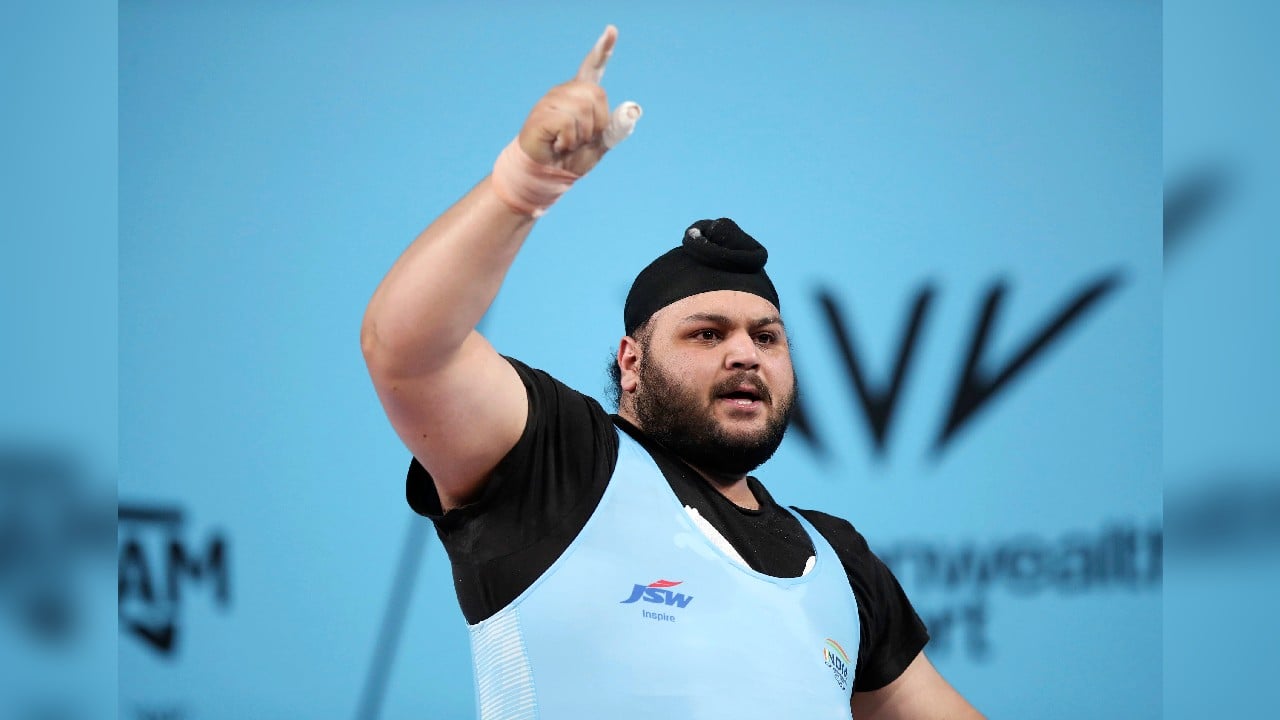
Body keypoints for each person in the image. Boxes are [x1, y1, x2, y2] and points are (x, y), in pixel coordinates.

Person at [361, 25, 983, 720]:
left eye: (767, 336)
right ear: (631, 362)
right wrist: (521, 187)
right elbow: (409, 351)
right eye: (707, 333)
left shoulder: (838, 560)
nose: (745, 353)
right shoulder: (561, 464)